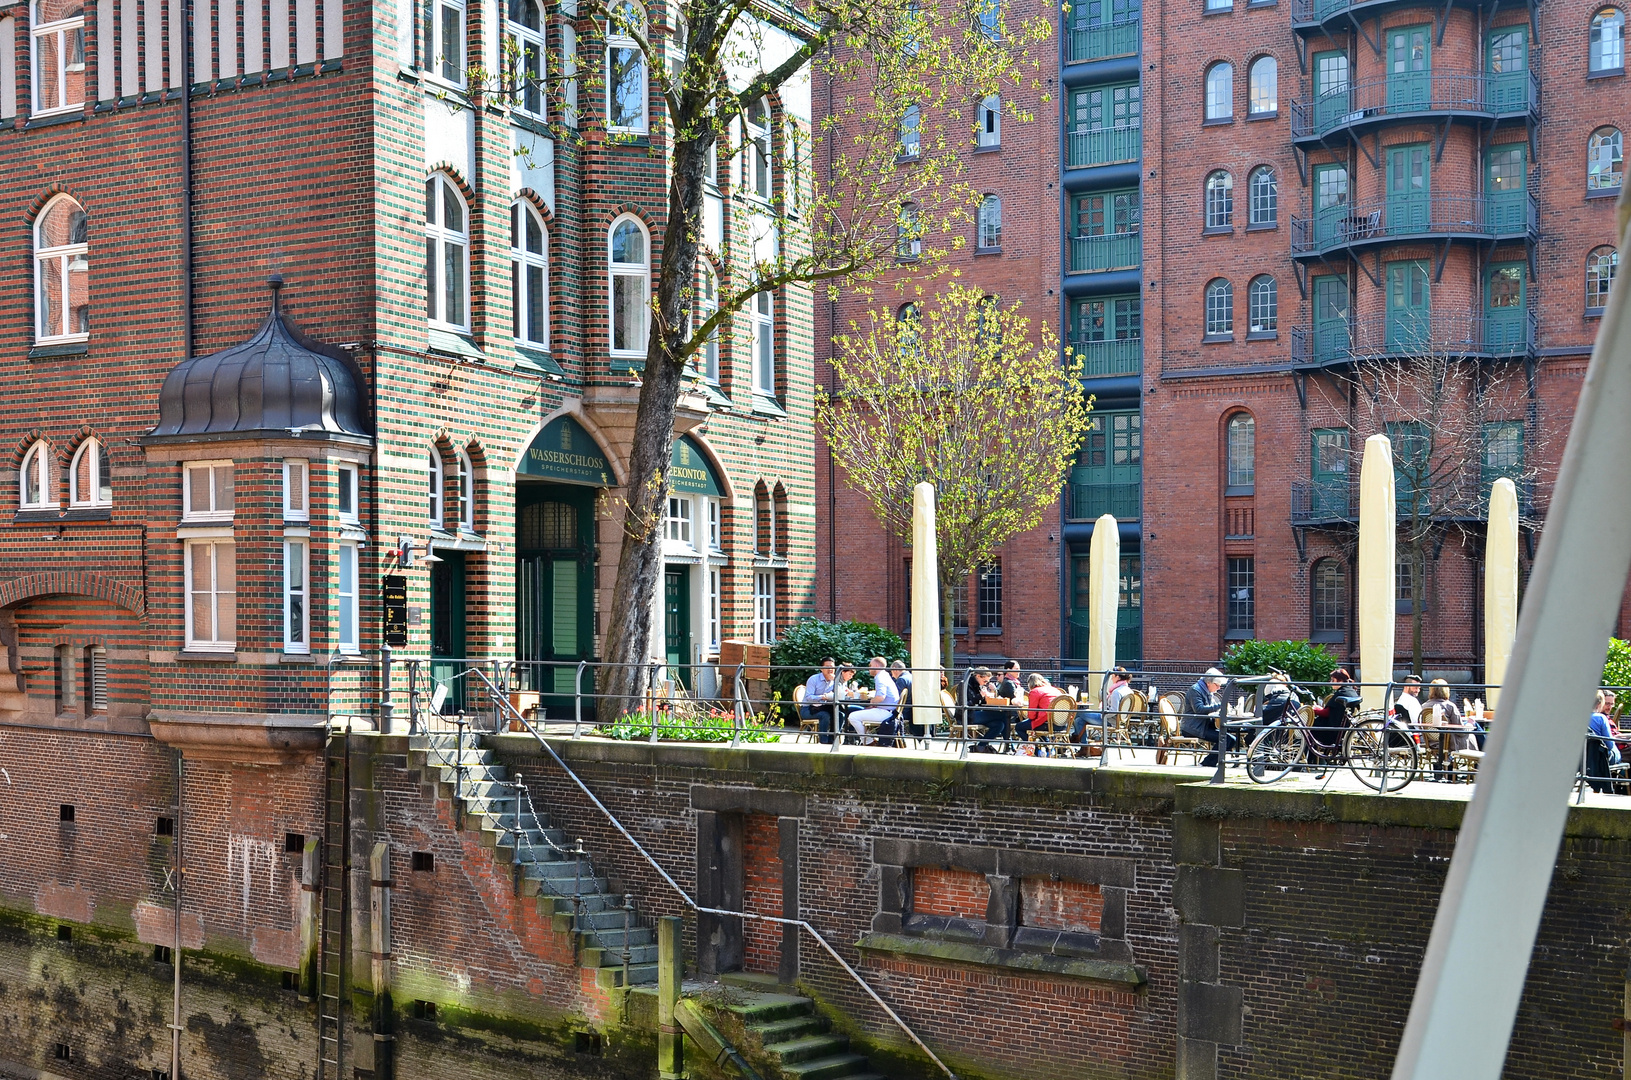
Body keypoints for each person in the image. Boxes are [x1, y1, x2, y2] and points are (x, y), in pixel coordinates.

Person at [1181, 668, 1230, 767]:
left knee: (1230, 737)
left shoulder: (1206, 690)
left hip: (1203, 725)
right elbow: (1199, 709)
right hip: (1193, 727)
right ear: (1208, 682)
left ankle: (1210, 762)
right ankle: (1208, 763)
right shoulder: (1195, 690)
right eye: (1217, 685)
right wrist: (1221, 705)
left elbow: (1208, 708)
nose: (1219, 688)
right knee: (1227, 739)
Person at [849, 657, 900, 744]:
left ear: (876, 665)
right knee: (859, 713)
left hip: (886, 712)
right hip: (892, 711)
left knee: (853, 717)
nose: (869, 668)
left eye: (870, 665)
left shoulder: (880, 677)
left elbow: (880, 697)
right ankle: (870, 740)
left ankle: (869, 742)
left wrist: (872, 702)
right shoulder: (885, 675)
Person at [1311, 668, 1360, 748]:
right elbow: (1334, 710)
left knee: (1309, 728)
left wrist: (1316, 709)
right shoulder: (1350, 690)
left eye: (1333, 680)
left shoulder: (1340, 693)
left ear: (1340, 681)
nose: (1331, 682)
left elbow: (1328, 713)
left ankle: (1313, 758)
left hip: (1334, 731)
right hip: (1344, 728)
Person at [1587, 689, 1620, 793]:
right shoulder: (1600, 718)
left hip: (1581, 759)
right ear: (1600, 704)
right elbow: (1609, 745)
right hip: (1598, 759)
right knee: (1615, 751)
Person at [803, 658, 839, 745]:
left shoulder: (835, 680)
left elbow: (841, 694)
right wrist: (822, 697)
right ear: (821, 668)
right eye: (827, 667)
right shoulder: (814, 679)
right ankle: (824, 742)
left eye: (832, 667)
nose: (830, 670)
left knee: (840, 714)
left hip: (824, 707)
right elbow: (809, 697)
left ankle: (833, 740)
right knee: (825, 715)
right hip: (808, 708)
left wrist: (837, 681)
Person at [996, 661, 1026, 742]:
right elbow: (1016, 700)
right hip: (1013, 715)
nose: (1019, 671)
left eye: (1019, 669)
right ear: (1008, 670)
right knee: (1034, 721)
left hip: (1014, 713)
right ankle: (1042, 746)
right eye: (1016, 669)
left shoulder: (1013, 682)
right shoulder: (1009, 683)